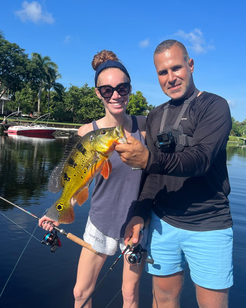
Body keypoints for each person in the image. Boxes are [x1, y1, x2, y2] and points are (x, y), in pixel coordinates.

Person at [115, 39, 233, 308]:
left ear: (190, 65)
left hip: (209, 225)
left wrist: (149, 159)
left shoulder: (214, 106)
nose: (171, 77)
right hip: (162, 223)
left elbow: (201, 160)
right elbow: (153, 176)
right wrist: (139, 213)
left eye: (176, 68)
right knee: (164, 300)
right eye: (162, 72)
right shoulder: (156, 115)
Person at [39, 49, 147, 308]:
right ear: (98, 93)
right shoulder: (86, 132)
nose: (116, 95)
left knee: (130, 295)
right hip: (99, 221)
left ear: (129, 89)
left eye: (122, 88)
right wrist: (56, 212)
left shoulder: (146, 125)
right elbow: (77, 181)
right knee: (80, 293)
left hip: (136, 226)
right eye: (107, 90)